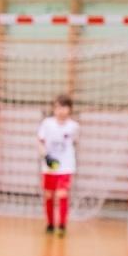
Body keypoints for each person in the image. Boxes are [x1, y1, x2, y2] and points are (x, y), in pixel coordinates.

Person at [37, 95, 79, 235]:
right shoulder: (47, 124)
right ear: (54, 109)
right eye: (58, 107)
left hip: (65, 166)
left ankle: (62, 225)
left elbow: (74, 142)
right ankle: (50, 224)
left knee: (62, 194)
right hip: (49, 166)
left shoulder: (74, 126)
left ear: (69, 109)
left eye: (64, 107)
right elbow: (40, 142)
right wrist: (46, 156)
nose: (61, 111)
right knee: (49, 194)